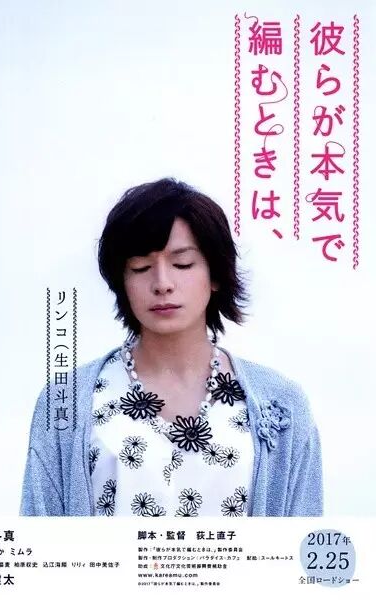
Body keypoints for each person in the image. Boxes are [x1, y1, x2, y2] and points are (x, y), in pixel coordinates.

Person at [20, 177, 323, 517]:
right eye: (140, 267)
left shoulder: (282, 403)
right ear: (122, 280)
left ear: (215, 274)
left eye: (182, 264)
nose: (162, 283)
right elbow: (39, 536)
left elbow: (301, 539)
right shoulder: (66, 402)